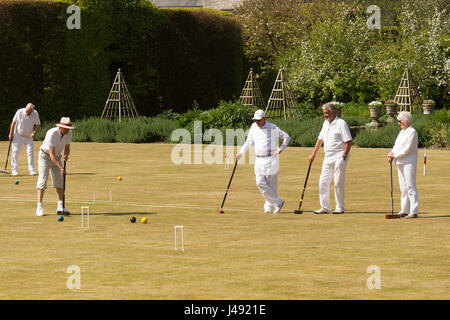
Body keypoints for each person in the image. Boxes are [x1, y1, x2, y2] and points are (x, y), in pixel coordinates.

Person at [236, 109, 290, 214]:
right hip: (259, 159)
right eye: (255, 120)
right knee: (260, 182)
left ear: (264, 119)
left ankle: (268, 207)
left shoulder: (272, 127)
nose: (257, 122)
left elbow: (286, 137)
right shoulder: (253, 127)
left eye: (259, 120)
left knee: (271, 185)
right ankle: (278, 202)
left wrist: (280, 150)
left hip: (271, 159)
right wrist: (240, 153)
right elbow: (248, 142)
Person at [308, 103, 353, 214]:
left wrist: (344, 155)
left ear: (333, 112)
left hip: (339, 156)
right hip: (328, 157)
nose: (325, 115)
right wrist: (313, 154)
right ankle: (325, 207)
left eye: (327, 113)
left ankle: (340, 207)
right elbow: (320, 140)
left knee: (338, 182)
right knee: (323, 181)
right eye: (324, 113)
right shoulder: (325, 123)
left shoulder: (341, 123)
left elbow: (349, 141)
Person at [36, 117, 74, 217]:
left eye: (69, 128)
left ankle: (60, 206)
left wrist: (66, 154)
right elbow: (51, 154)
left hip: (57, 156)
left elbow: (67, 148)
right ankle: (39, 207)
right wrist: (61, 167)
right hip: (45, 156)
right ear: (61, 127)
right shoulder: (51, 133)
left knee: (59, 181)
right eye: (66, 128)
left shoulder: (69, 133)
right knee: (43, 180)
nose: (68, 130)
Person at [387, 111, 419, 219]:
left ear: (406, 121)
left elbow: (407, 149)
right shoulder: (401, 133)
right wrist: (391, 153)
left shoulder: (412, 132)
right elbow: (396, 146)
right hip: (400, 162)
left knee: (411, 186)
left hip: (409, 162)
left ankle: (414, 211)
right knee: (403, 187)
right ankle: (404, 210)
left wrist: (395, 155)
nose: (398, 123)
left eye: (399, 121)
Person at [8, 103, 41, 176]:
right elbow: (13, 123)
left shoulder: (35, 113)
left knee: (30, 153)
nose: (27, 113)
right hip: (18, 135)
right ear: (25, 108)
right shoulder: (19, 111)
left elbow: (38, 125)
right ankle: (14, 170)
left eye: (29, 112)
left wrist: (34, 133)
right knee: (15, 152)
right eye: (26, 111)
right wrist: (11, 134)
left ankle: (32, 170)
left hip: (29, 136)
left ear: (32, 111)